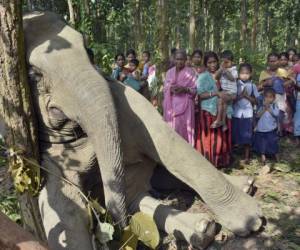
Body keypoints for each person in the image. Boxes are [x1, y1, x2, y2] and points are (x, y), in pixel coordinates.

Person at [195, 51, 232, 167]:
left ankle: (221, 161)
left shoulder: (223, 74)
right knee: (210, 136)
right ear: (205, 64)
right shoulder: (203, 77)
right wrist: (216, 93)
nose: (213, 65)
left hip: (223, 109)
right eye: (209, 62)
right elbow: (200, 95)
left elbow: (231, 87)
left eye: (214, 62)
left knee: (221, 135)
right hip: (208, 111)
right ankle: (208, 160)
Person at [163, 49, 197, 145]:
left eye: (182, 59)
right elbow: (165, 87)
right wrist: (171, 88)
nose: (179, 62)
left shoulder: (191, 72)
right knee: (171, 129)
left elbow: (195, 90)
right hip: (171, 106)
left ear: (186, 59)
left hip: (186, 107)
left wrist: (185, 89)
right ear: (174, 59)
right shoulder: (169, 72)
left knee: (183, 129)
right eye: (177, 59)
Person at [259, 53, 292, 136]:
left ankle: (279, 132)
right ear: (268, 62)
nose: (273, 63)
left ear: (278, 61)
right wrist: (266, 83)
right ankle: (270, 132)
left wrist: (284, 83)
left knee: (279, 114)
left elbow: (292, 80)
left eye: (275, 61)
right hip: (268, 99)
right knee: (268, 114)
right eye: (271, 61)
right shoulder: (263, 73)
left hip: (280, 98)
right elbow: (258, 87)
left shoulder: (283, 72)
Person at [232, 63, 259, 164]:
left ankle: (247, 157)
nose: (244, 75)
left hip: (248, 114)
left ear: (251, 74)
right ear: (238, 74)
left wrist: (247, 96)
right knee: (235, 134)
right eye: (242, 73)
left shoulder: (252, 85)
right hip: (236, 113)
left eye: (247, 73)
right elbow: (231, 100)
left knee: (247, 135)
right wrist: (240, 96)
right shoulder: (235, 84)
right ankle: (233, 155)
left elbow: (257, 101)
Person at [212, 50, 238, 130]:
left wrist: (225, 71)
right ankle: (223, 122)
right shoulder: (221, 69)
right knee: (222, 104)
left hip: (231, 92)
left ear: (232, 62)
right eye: (222, 62)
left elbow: (232, 78)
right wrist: (220, 69)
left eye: (226, 62)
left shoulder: (234, 70)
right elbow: (216, 77)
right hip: (224, 91)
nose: (224, 64)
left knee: (221, 102)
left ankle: (219, 120)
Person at [253, 88, 279, 165]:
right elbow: (257, 115)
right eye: (266, 97)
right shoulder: (261, 106)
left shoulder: (274, 106)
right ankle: (263, 158)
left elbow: (276, 114)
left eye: (270, 97)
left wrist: (269, 108)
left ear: (273, 98)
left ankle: (277, 157)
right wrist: (264, 108)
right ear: (264, 97)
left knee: (273, 143)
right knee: (262, 144)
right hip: (261, 129)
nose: (268, 99)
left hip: (271, 129)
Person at [293, 61, 300, 145]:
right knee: (298, 116)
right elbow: (295, 83)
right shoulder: (297, 67)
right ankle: (297, 137)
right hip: (299, 97)